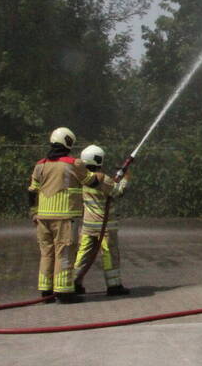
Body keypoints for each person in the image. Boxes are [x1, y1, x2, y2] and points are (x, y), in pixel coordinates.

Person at [27, 127, 88, 303]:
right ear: (68, 143)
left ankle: (46, 292)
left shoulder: (40, 164)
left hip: (42, 218)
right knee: (65, 253)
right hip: (65, 217)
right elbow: (92, 181)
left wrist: (34, 213)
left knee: (46, 253)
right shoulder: (73, 163)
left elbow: (32, 191)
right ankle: (64, 293)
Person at [73, 144, 131, 296]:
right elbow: (118, 192)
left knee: (83, 254)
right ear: (99, 160)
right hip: (105, 227)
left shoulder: (83, 178)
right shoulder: (102, 179)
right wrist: (125, 178)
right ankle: (114, 286)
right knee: (109, 254)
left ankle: (73, 283)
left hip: (87, 226)